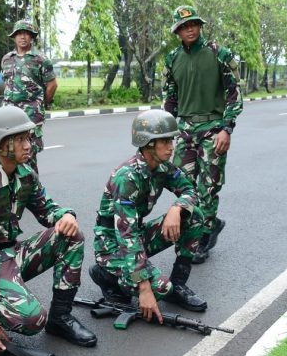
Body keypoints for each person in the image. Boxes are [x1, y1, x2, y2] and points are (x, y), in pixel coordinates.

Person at [0, 106, 97, 350]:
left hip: (12, 253)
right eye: (19, 139)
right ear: (0, 145)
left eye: (28, 137)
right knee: (33, 320)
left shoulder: (26, 175)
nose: (28, 144)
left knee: (72, 236)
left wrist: (67, 215)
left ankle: (60, 317)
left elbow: (47, 210)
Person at [89, 110, 208, 323]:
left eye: (172, 139)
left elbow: (190, 190)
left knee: (194, 216)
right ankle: (105, 275)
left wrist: (177, 208)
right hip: (112, 247)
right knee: (161, 288)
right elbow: (127, 235)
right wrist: (144, 287)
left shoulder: (163, 167)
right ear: (148, 143)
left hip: (135, 237)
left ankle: (179, 285)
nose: (171, 146)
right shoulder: (127, 177)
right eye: (164, 141)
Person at [163, 5, 243, 263]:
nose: (190, 29)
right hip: (185, 130)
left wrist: (226, 128)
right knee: (182, 185)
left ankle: (203, 236)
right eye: (184, 26)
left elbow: (234, 94)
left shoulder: (218, 53)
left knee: (208, 185)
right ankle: (208, 221)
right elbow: (170, 99)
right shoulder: (173, 58)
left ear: (199, 26)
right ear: (177, 31)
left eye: (193, 24)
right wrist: (166, 133)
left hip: (213, 129)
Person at [0, 19, 57, 172]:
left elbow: (52, 84)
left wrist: (40, 104)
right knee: (8, 153)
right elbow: (7, 83)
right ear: (14, 37)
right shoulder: (7, 59)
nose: (23, 37)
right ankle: (12, 192)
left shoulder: (41, 59)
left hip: (31, 115)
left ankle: (32, 192)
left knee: (28, 155)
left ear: (32, 37)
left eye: (26, 33)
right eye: (19, 33)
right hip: (9, 115)